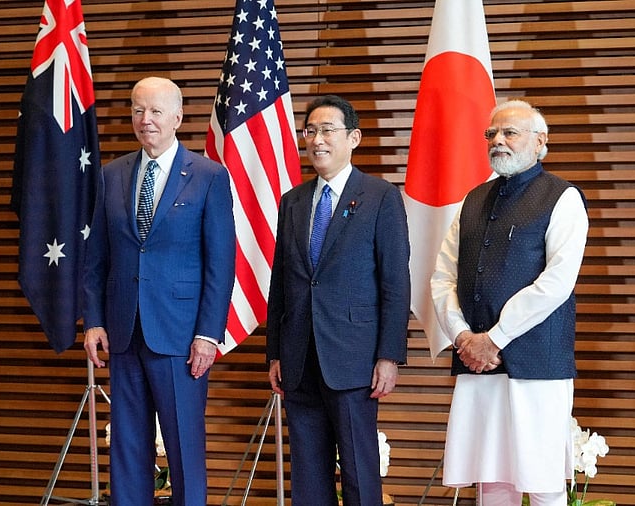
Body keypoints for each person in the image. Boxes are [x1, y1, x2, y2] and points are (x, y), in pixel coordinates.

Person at [82, 76, 236, 506]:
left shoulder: (208, 177)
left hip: (182, 336)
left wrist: (208, 334)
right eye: (137, 110)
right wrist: (93, 320)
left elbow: (221, 264)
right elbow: (96, 258)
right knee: (127, 449)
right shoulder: (111, 175)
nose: (145, 120)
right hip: (124, 331)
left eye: (154, 111)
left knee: (184, 447)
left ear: (177, 117)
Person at [430, 100, 589, 505]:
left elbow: (557, 283)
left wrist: (495, 338)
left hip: (536, 367)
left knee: (541, 482)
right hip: (477, 362)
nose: (498, 140)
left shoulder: (563, 198)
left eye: (510, 133)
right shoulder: (473, 199)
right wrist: (464, 337)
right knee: (491, 482)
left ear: (540, 142)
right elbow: (443, 276)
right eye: (491, 134)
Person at [266, 95, 411, 506]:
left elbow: (396, 283)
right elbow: (282, 283)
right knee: (308, 476)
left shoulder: (380, 196)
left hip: (355, 359)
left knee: (358, 473)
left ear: (353, 138)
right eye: (310, 131)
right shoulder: (292, 201)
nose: (317, 140)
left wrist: (389, 355)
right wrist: (275, 352)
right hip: (298, 358)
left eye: (327, 130)